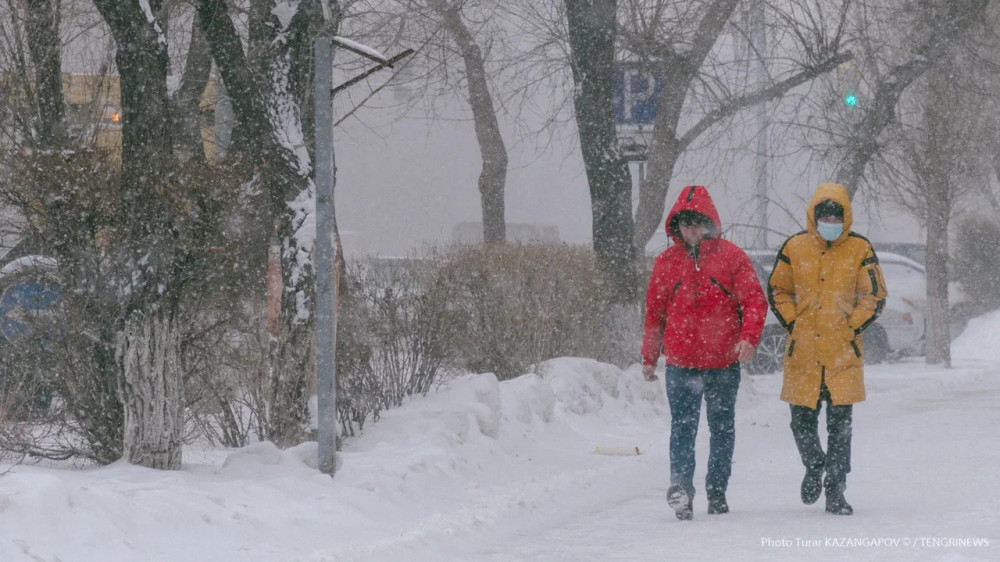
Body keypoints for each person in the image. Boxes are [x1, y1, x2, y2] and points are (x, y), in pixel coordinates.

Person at [641, 185, 768, 520]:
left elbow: (754, 300)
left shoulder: (731, 258)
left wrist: (749, 338)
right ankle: (681, 488)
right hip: (681, 364)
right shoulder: (666, 263)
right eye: (685, 224)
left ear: (709, 223)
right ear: (676, 226)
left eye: (697, 223)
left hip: (724, 363)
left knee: (721, 427)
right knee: (682, 428)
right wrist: (649, 356)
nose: (691, 230)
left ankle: (717, 489)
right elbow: (655, 313)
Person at [766, 183, 888, 516]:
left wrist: (850, 328)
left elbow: (874, 296)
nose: (831, 220)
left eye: (837, 214)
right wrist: (794, 322)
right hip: (802, 353)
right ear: (814, 217)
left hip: (842, 356)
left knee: (840, 429)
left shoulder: (860, 249)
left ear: (846, 216)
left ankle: (836, 490)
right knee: (801, 424)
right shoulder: (794, 247)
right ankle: (814, 464)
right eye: (825, 215)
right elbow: (778, 290)